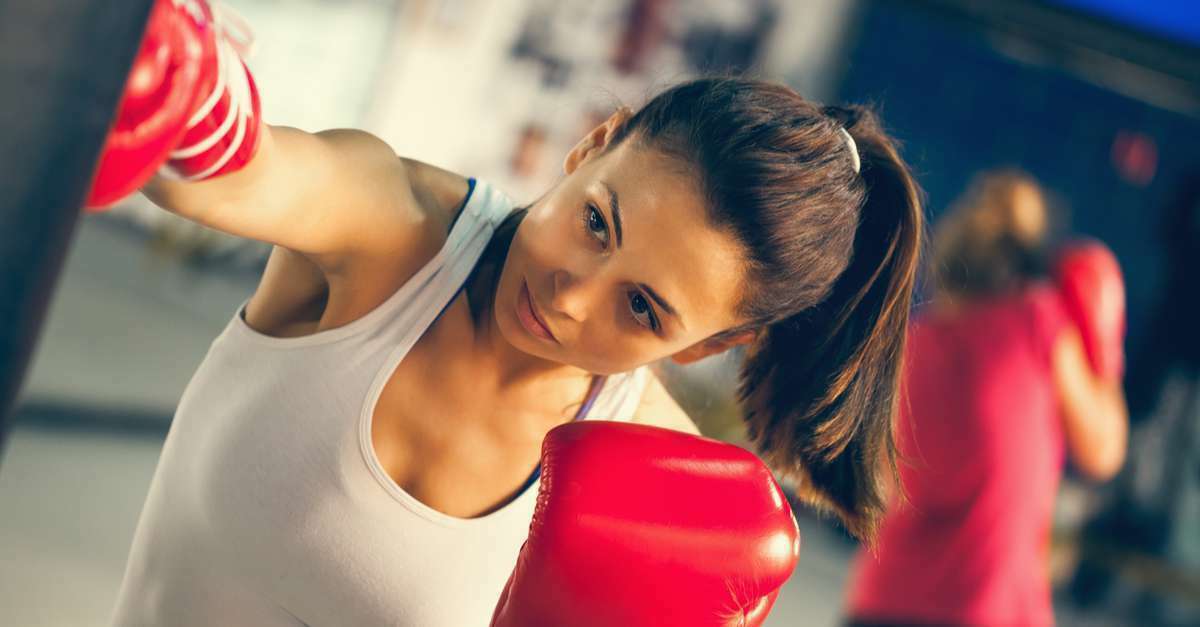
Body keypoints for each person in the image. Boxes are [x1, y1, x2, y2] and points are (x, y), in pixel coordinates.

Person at [93, 1, 923, 624]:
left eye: (641, 307)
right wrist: (185, 81)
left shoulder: (668, 491)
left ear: (714, 344)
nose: (569, 293)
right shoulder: (394, 231)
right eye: (597, 221)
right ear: (592, 144)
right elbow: (240, 171)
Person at [845, 170, 1130, 626]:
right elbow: (1103, 451)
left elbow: (881, 481)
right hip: (981, 607)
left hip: (882, 598)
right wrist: (1105, 353)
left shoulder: (914, 345)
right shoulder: (1038, 325)